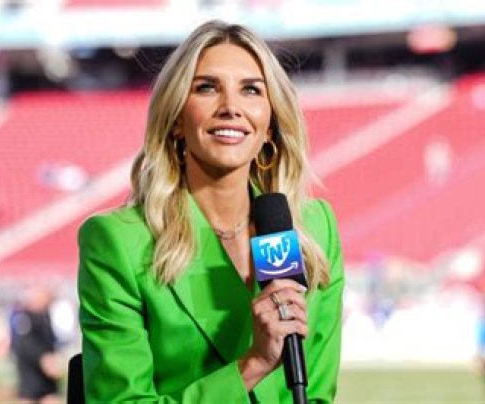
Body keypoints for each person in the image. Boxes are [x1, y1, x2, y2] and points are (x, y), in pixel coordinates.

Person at [77, 21, 344, 402]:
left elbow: (316, 394)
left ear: (270, 125)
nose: (231, 108)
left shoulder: (315, 229)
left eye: (251, 90)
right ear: (175, 120)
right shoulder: (118, 241)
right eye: (206, 88)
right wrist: (252, 364)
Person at [9, 286, 62, 403]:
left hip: (47, 375)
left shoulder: (46, 317)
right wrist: (42, 358)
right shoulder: (25, 318)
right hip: (30, 372)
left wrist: (52, 359)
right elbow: (24, 344)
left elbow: (51, 341)